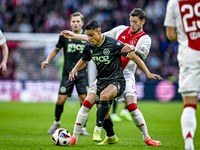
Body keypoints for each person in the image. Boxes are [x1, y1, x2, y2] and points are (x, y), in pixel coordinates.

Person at [62, 8, 162, 146]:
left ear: (142, 22)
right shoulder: (120, 30)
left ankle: (147, 137)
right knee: (98, 108)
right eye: (131, 21)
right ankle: (106, 136)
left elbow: (142, 55)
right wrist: (75, 36)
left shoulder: (145, 39)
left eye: (135, 22)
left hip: (126, 75)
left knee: (132, 106)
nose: (132, 24)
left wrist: (133, 49)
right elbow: (98, 37)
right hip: (106, 73)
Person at [41, 12, 90, 136]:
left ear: (82, 23)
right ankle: (57, 122)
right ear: (70, 23)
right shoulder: (65, 36)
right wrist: (47, 61)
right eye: (73, 21)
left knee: (84, 100)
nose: (76, 23)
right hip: (67, 74)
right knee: (60, 100)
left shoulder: (88, 37)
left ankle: (83, 127)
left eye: (78, 21)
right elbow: (56, 49)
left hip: (82, 74)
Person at [164, 1, 200, 150]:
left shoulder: (173, 2)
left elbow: (171, 34)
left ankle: (189, 143)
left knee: (190, 104)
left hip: (189, 54)